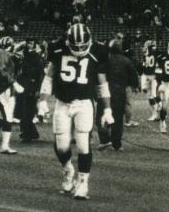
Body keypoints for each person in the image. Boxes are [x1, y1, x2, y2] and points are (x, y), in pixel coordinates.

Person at [38, 22, 113, 200]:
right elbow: (49, 77)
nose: (79, 49)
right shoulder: (57, 49)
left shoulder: (98, 52)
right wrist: (42, 100)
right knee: (62, 146)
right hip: (62, 102)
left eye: (82, 45)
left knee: (83, 145)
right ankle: (67, 169)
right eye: (75, 45)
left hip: (84, 103)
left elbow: (102, 84)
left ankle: (83, 183)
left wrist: (107, 109)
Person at [97, 37, 140, 152]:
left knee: (101, 115)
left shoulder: (105, 60)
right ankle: (117, 144)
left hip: (105, 91)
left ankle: (104, 140)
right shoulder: (126, 61)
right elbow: (134, 77)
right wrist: (134, 86)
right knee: (118, 118)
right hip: (120, 92)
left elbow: (99, 75)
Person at [0, 35, 23, 154]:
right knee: (6, 117)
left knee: (6, 117)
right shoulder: (2, 54)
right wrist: (14, 83)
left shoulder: (3, 53)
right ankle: (1, 143)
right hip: (1, 89)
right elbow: (2, 70)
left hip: (7, 89)